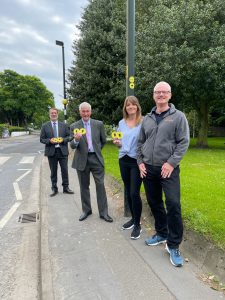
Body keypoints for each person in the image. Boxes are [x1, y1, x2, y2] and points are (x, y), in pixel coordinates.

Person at [137, 81, 189, 267]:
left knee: (173, 204)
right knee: (154, 202)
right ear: (153, 95)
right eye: (157, 92)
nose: (160, 95)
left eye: (164, 92)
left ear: (170, 95)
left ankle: (173, 244)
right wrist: (140, 162)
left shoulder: (178, 117)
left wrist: (171, 163)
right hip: (148, 169)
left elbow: (183, 142)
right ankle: (161, 233)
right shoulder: (147, 119)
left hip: (168, 169)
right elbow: (140, 142)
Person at [70, 102, 113, 222]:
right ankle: (86, 210)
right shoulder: (74, 126)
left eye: (87, 111)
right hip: (81, 160)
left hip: (96, 159)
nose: (85, 113)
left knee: (100, 185)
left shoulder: (98, 124)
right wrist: (76, 139)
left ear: (91, 111)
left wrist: (96, 151)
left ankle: (104, 212)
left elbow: (103, 141)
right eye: (83, 111)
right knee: (84, 186)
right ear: (80, 112)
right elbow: (72, 145)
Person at [113, 96, 142, 240]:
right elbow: (119, 141)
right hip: (123, 160)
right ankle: (132, 219)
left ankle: (138, 224)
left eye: (133, 105)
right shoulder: (121, 123)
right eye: (128, 105)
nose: (130, 107)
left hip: (136, 161)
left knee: (134, 193)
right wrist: (117, 143)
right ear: (125, 107)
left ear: (137, 106)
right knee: (128, 191)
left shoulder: (142, 122)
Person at [40, 107, 74, 197]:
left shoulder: (64, 125)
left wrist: (63, 140)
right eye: (52, 113)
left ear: (57, 114)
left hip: (62, 150)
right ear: (49, 114)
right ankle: (54, 188)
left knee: (65, 170)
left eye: (55, 113)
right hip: (51, 151)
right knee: (53, 171)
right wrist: (49, 141)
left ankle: (66, 188)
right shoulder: (45, 126)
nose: (53, 114)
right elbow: (42, 139)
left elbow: (70, 136)